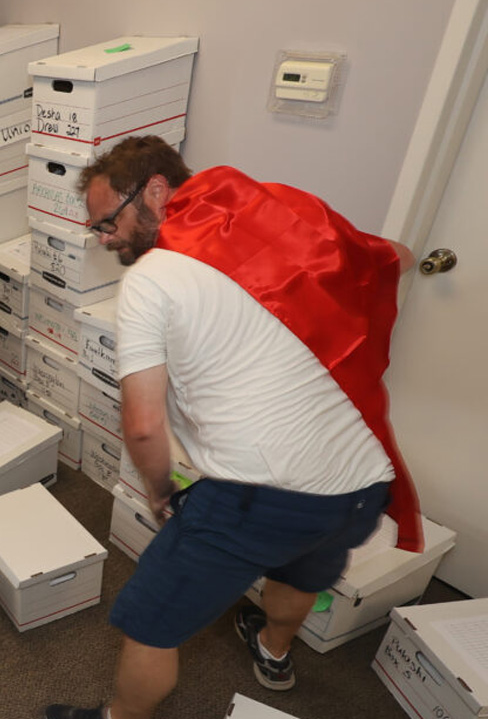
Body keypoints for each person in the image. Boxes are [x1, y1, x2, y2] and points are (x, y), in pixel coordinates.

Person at [44, 136, 423, 719]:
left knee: (151, 622)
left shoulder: (154, 277)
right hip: (358, 486)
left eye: (106, 222)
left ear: (155, 190)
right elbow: (395, 252)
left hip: (259, 497)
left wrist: (161, 490)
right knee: (303, 571)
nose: (105, 237)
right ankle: (273, 650)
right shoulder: (276, 230)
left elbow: (144, 427)